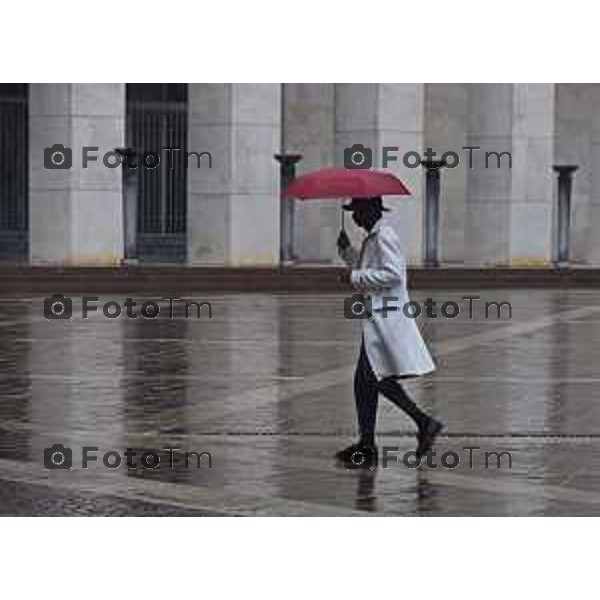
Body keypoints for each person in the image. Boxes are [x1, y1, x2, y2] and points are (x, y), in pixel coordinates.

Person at [336, 197, 443, 465]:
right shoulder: (373, 238)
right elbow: (368, 269)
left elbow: (393, 274)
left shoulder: (384, 236)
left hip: (387, 318)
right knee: (363, 381)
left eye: (357, 211)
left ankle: (423, 421)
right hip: (376, 318)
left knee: (376, 378)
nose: (354, 217)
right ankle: (367, 443)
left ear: (370, 210)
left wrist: (353, 277)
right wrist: (348, 252)